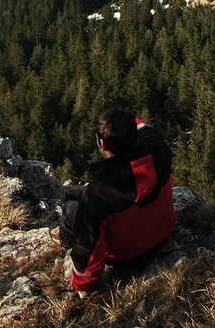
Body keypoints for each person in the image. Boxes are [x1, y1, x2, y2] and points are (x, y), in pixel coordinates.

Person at [53, 109, 176, 294]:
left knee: (71, 209)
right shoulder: (159, 152)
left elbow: (89, 249)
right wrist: (122, 121)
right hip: (164, 234)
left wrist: (81, 283)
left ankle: (66, 246)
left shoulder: (96, 195)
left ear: (101, 143)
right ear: (135, 136)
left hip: (126, 258)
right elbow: (143, 127)